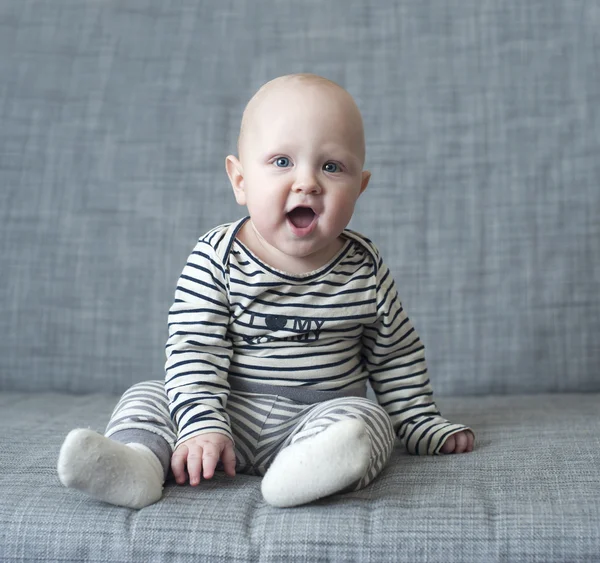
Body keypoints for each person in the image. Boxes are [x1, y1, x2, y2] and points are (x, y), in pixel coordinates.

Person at [57, 73, 474, 510]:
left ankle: (307, 471)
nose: (308, 182)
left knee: (368, 422)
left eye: (332, 167)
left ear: (359, 188)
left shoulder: (363, 267)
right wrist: (201, 425)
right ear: (240, 180)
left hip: (318, 421)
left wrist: (422, 422)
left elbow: (395, 354)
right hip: (225, 415)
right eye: (281, 162)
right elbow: (194, 347)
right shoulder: (217, 256)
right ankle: (139, 465)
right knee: (149, 394)